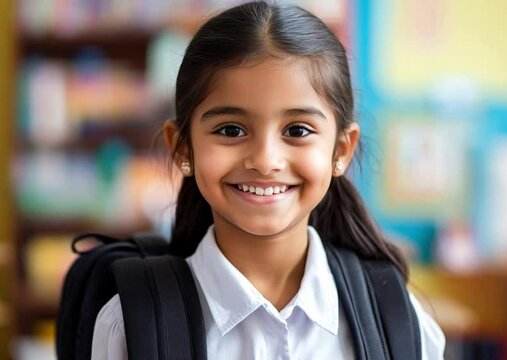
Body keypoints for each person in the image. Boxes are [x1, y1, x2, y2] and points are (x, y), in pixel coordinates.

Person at [91, 1, 446, 359]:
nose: (265, 161)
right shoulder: (130, 325)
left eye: (297, 130)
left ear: (341, 151)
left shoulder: (399, 321)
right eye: (231, 130)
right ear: (182, 148)